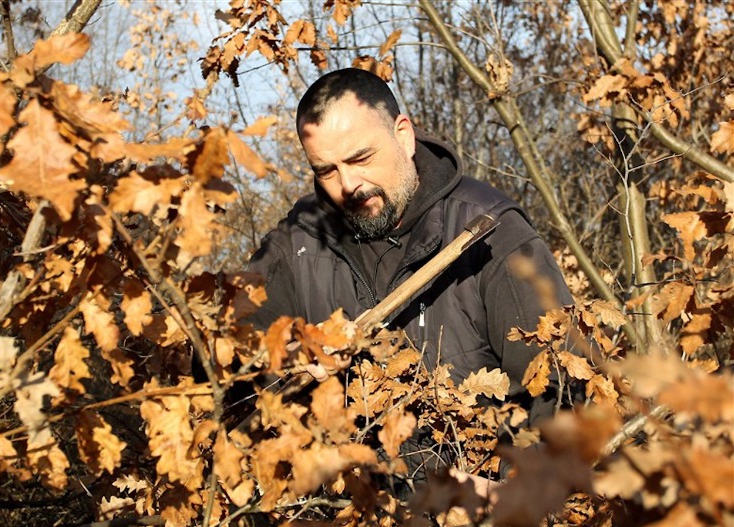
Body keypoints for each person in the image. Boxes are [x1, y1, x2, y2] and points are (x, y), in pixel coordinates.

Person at [246, 68, 575, 490]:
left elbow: (561, 398)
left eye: (360, 159)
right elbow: (224, 363)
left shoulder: (491, 233)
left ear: (403, 135)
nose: (348, 185)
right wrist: (287, 359)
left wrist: (516, 497)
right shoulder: (297, 245)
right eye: (326, 171)